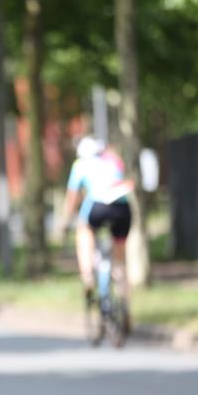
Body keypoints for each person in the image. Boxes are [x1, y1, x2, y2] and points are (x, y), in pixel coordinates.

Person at [59, 135, 134, 327]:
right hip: (122, 207)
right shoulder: (113, 159)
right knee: (120, 261)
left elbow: (72, 199)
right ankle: (125, 304)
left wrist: (64, 223)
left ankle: (88, 276)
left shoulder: (80, 165)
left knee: (84, 231)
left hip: (98, 206)